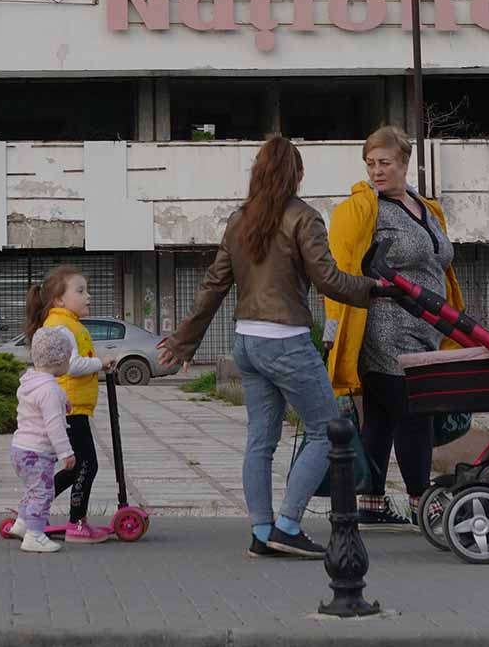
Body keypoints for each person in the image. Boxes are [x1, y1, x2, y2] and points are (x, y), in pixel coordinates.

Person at [158, 134, 377, 559]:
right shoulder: (304, 218)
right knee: (329, 432)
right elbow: (329, 279)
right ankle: (289, 525)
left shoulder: (240, 220)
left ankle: (262, 532)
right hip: (287, 342)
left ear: (258, 173)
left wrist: (185, 341)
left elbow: (213, 285)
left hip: (247, 342)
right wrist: (374, 289)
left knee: (260, 441)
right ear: (296, 174)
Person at [325, 124, 462, 529]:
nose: (377, 171)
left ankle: (370, 501)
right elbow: (340, 266)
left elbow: (440, 262)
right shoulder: (364, 209)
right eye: (370, 164)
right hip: (384, 326)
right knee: (413, 409)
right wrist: (334, 324)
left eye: (384, 163)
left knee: (384, 415)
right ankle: (423, 500)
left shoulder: (426, 208)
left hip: (426, 327)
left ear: (405, 163)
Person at [26, 264, 113, 542]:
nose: (88, 296)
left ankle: (29, 510)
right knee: (87, 464)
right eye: (80, 291)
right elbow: (72, 365)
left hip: (74, 407)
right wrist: (102, 363)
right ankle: (76, 523)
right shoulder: (61, 327)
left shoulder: (68, 324)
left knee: (75, 466)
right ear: (59, 299)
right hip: (69, 406)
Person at [10, 326, 78, 554]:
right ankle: (34, 535)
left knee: (33, 489)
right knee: (43, 493)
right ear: (58, 360)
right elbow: (54, 426)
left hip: (20, 449)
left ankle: (21, 524)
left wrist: (63, 402)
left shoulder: (30, 381)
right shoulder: (50, 389)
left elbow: (39, 407)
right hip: (38, 452)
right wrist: (66, 453)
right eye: (68, 358)